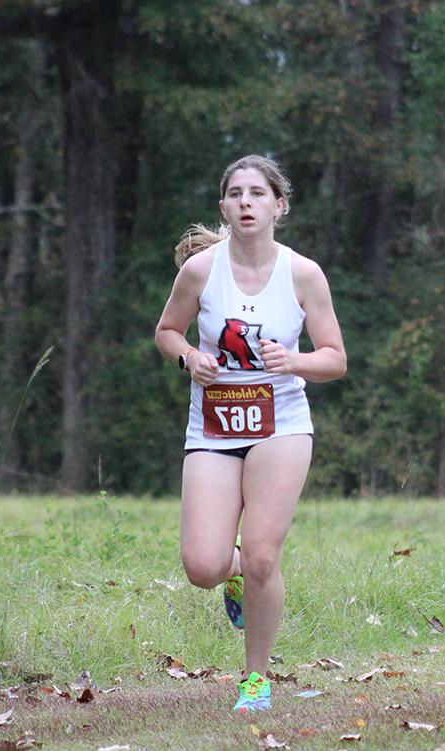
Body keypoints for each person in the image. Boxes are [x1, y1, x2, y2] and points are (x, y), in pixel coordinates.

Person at [154, 155, 346, 712]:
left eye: (257, 193)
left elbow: (335, 359)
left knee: (264, 555)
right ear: (223, 207)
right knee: (202, 568)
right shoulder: (199, 272)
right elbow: (167, 332)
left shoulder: (303, 273)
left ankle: (255, 680)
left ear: (278, 205)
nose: (246, 202)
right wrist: (191, 358)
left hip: (281, 423)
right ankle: (233, 571)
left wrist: (294, 361)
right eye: (235, 194)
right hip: (213, 424)